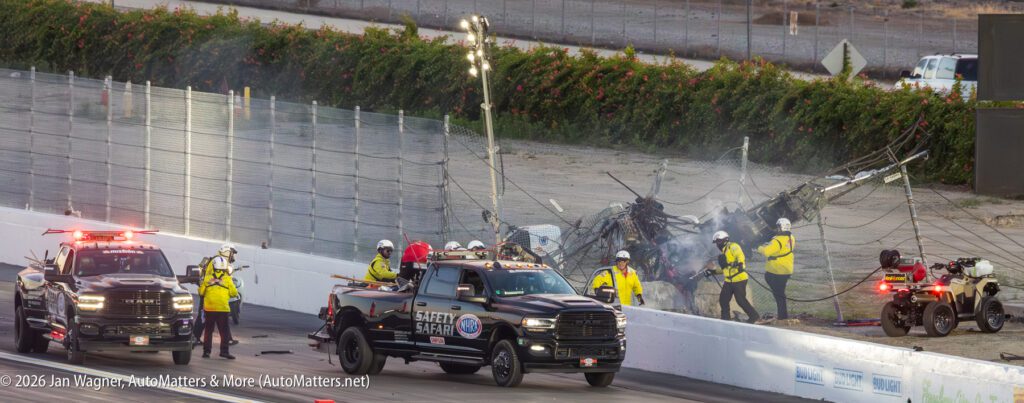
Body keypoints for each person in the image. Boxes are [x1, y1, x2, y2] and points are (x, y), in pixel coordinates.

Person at [705, 231, 759, 323]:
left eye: (719, 241)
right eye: (716, 242)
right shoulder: (723, 253)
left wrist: (740, 264)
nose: (717, 244)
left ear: (725, 240)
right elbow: (725, 269)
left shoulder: (733, 246)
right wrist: (713, 272)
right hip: (729, 281)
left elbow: (740, 257)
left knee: (740, 300)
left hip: (739, 279)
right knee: (723, 300)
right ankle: (725, 319)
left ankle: (754, 316)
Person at [194, 244, 238, 345]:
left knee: (206, 316)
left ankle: (196, 337)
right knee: (209, 317)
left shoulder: (217, 260)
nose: (233, 256)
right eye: (232, 253)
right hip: (211, 293)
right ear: (227, 251)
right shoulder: (220, 262)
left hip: (208, 291)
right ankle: (195, 337)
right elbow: (219, 278)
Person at [199, 256, 238, 359]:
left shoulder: (207, 278)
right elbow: (234, 293)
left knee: (208, 331)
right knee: (224, 331)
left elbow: (201, 292)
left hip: (210, 308)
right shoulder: (228, 279)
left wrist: (208, 285)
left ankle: (206, 352)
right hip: (222, 309)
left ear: (214, 266)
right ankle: (224, 352)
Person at [757, 218, 795, 320]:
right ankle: (782, 315)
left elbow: (766, 252)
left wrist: (758, 247)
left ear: (782, 227)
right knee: (779, 293)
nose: (777, 229)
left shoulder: (777, 240)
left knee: (778, 293)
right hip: (786, 269)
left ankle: (782, 316)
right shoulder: (791, 237)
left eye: (778, 227)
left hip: (777, 270)